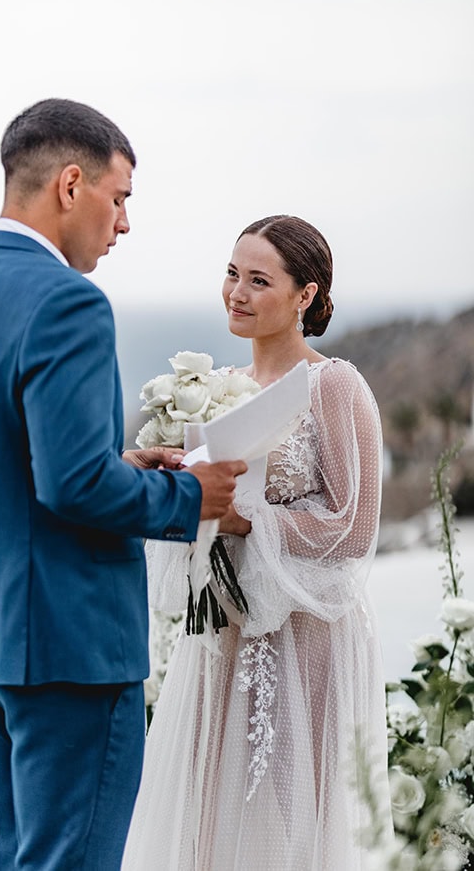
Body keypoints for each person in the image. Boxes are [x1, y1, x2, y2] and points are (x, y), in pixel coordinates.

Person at [0, 98, 246, 871]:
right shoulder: (69, 300)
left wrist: (116, 466)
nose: (123, 223)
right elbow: (71, 489)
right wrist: (194, 497)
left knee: (12, 857)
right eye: (119, 197)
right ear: (71, 184)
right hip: (70, 648)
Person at [122, 215, 393, 870]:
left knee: (292, 815)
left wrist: (249, 522)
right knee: (213, 814)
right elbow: (210, 506)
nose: (237, 292)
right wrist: (172, 479)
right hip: (225, 629)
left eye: (258, 280)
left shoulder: (334, 386)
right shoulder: (220, 388)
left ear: (304, 295)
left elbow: (353, 528)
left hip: (307, 637)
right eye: (231, 274)